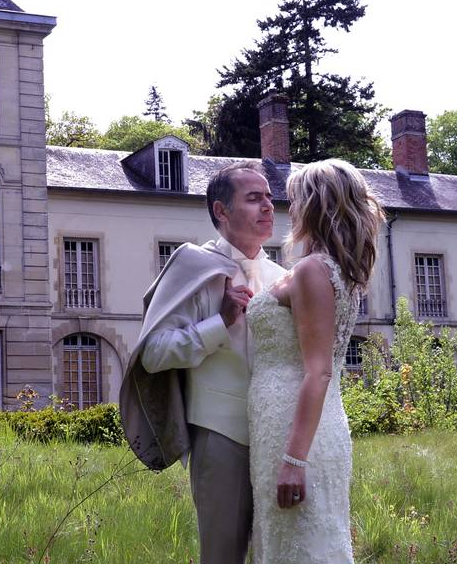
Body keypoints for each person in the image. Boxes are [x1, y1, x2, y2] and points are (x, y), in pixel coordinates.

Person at [119, 161, 286, 564]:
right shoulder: (191, 265)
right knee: (223, 556)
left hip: (276, 438)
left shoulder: (283, 274)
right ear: (221, 211)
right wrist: (219, 323)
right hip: (219, 435)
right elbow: (153, 353)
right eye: (253, 198)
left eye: (268, 197)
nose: (268, 206)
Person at [246, 159, 384, 563]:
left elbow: (319, 369)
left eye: (295, 200)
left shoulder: (311, 271)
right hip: (293, 423)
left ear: (314, 205)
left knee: (300, 544)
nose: (290, 210)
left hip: (295, 430)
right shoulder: (333, 271)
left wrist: (293, 459)